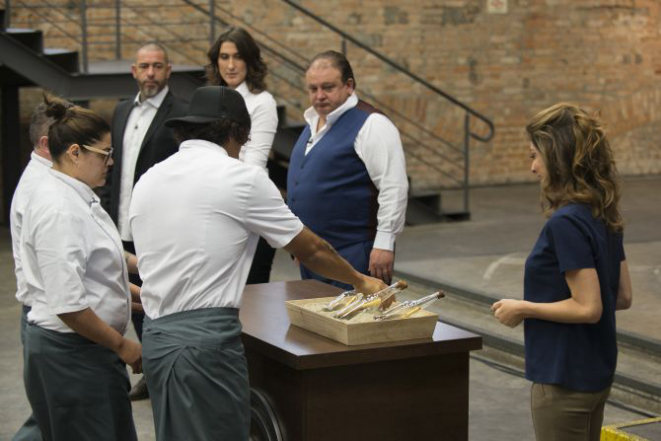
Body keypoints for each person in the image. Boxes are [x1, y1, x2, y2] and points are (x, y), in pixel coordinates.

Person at [129, 86, 386, 440]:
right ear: (235, 133)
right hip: (204, 344)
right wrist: (362, 281)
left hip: (156, 338)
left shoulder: (149, 178)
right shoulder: (241, 178)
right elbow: (311, 249)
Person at [491, 103, 633, 441]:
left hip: (565, 377)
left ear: (557, 159)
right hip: (595, 370)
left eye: (534, 156)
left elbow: (588, 307)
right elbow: (623, 296)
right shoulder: (602, 211)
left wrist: (522, 307)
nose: (533, 168)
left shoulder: (566, 223)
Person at [20, 98, 141, 440]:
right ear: (75, 152)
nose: (111, 162)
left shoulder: (78, 194)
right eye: (104, 154)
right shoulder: (59, 208)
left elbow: (95, 275)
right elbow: (69, 303)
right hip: (73, 355)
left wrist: (140, 295)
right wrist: (123, 346)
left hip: (87, 348)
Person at [99, 41, 186, 400]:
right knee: (130, 299)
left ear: (168, 71)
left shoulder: (180, 114)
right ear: (134, 71)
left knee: (162, 300)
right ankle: (151, 369)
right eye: (144, 66)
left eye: (157, 66)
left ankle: (167, 370)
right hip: (119, 225)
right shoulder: (121, 112)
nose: (150, 73)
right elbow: (112, 168)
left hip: (159, 229)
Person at [287, 50, 408, 289]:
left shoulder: (372, 124)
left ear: (349, 85)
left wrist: (384, 243)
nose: (319, 96)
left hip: (355, 252)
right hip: (314, 255)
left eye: (328, 87)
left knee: (355, 323)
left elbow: (394, 186)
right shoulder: (312, 123)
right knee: (317, 323)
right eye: (313, 89)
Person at [9, 97, 72, 441]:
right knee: (51, 419)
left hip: (43, 310)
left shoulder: (47, 178)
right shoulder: (41, 189)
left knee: (51, 417)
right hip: (46, 314)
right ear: (48, 144)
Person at [206, 26, 279, 284]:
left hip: (248, 207)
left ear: (250, 60)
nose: (231, 65)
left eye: (238, 57)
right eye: (224, 57)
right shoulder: (211, 100)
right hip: (215, 207)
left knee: (252, 295)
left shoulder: (262, 102)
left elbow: (254, 165)